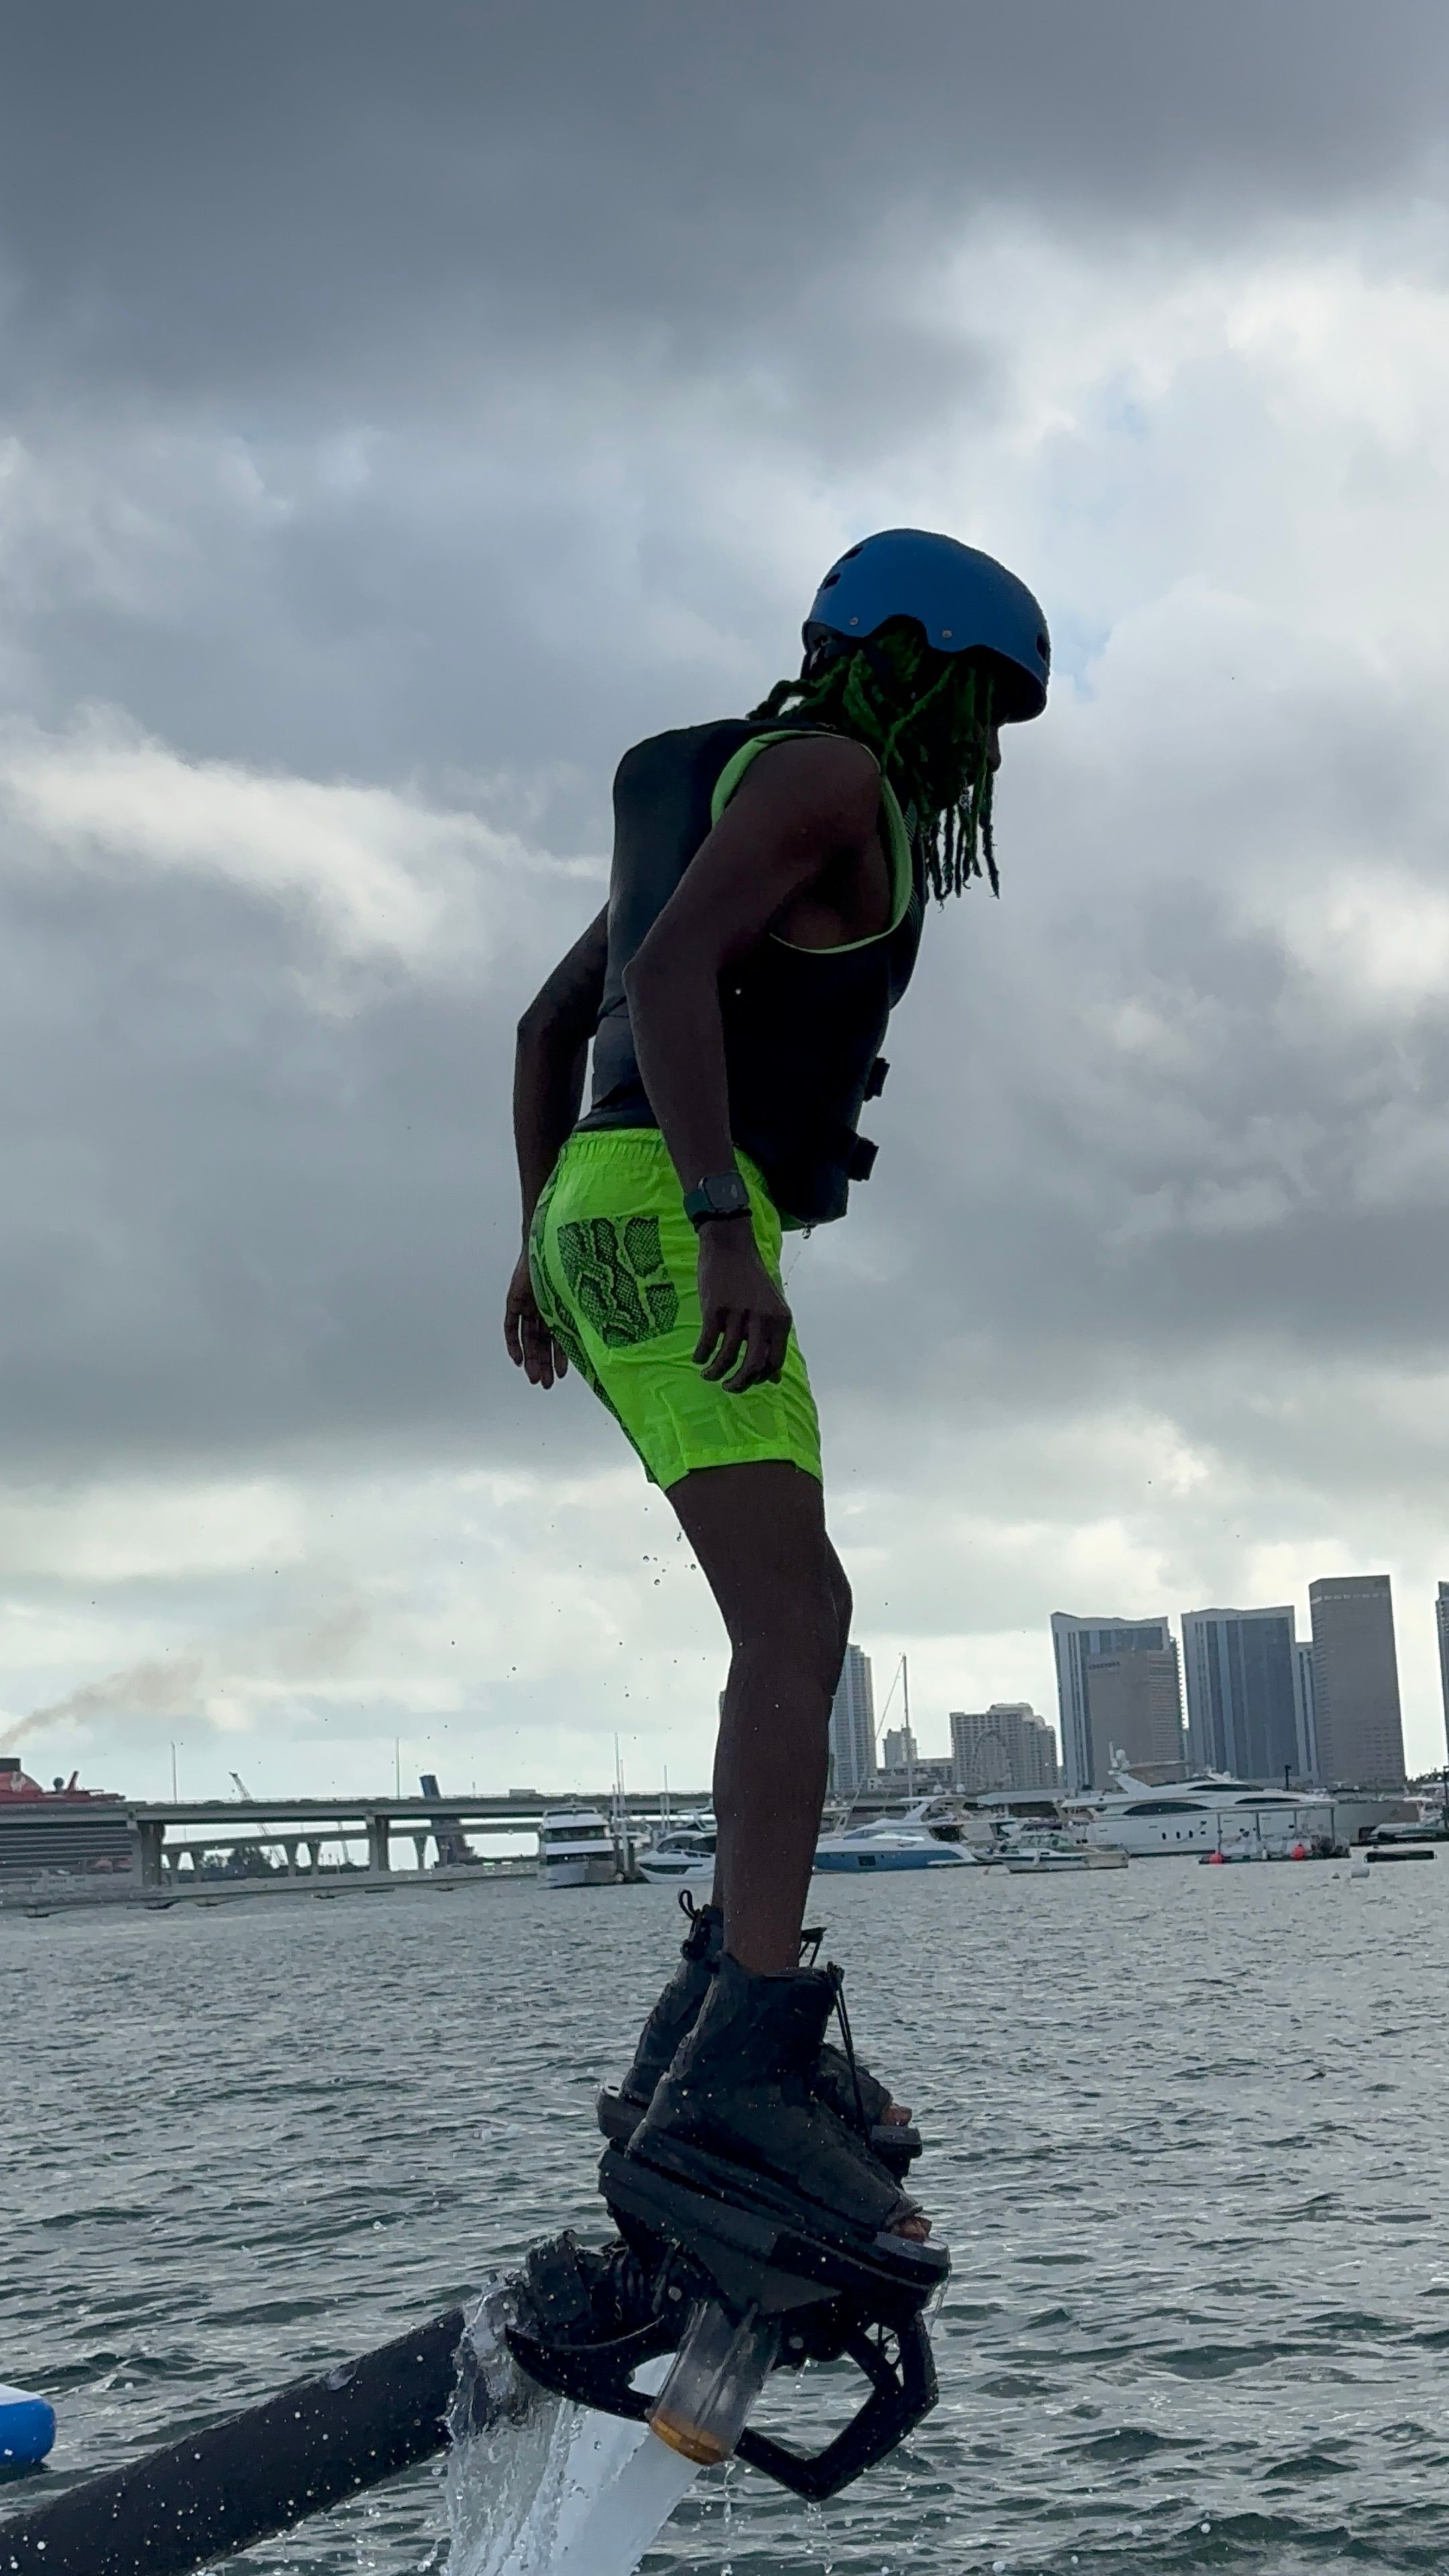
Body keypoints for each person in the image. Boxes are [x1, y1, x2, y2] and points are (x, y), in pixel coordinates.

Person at [506, 529, 1049, 2243]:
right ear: (919, 666)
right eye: (985, 708)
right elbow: (663, 983)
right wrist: (723, 1223)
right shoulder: (824, 775)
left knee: (796, 1615)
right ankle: (739, 2060)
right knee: (801, 1628)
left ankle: (716, 2026)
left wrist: (540, 1244)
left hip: (611, 1211)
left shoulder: (729, 783)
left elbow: (547, 1028)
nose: (982, 752)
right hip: (681, 1217)